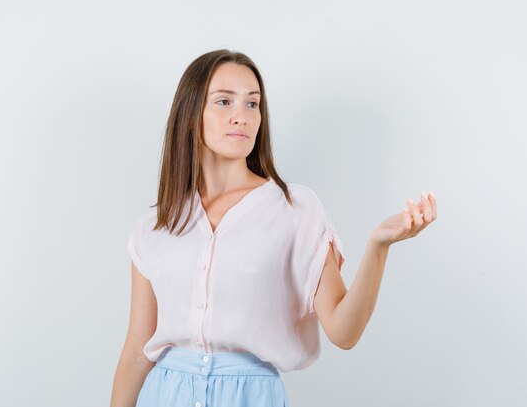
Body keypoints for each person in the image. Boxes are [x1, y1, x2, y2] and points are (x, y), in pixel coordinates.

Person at [109, 49, 437, 407]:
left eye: (253, 104)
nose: (242, 117)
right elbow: (136, 354)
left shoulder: (295, 210)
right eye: (224, 102)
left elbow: (344, 332)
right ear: (190, 116)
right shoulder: (156, 225)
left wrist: (378, 245)